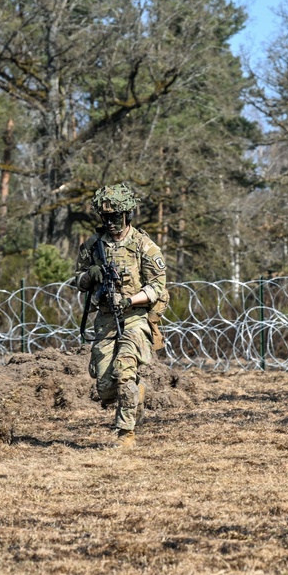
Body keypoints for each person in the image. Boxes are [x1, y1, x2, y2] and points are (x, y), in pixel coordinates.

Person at [75, 183, 168, 446]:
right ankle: (136, 394)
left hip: (135, 316)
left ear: (127, 214)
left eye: (116, 217)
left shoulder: (143, 245)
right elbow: (77, 279)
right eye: (106, 218)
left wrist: (129, 299)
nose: (111, 223)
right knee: (105, 387)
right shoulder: (93, 245)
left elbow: (157, 287)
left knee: (124, 371)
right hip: (105, 319)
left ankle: (125, 432)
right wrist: (90, 275)